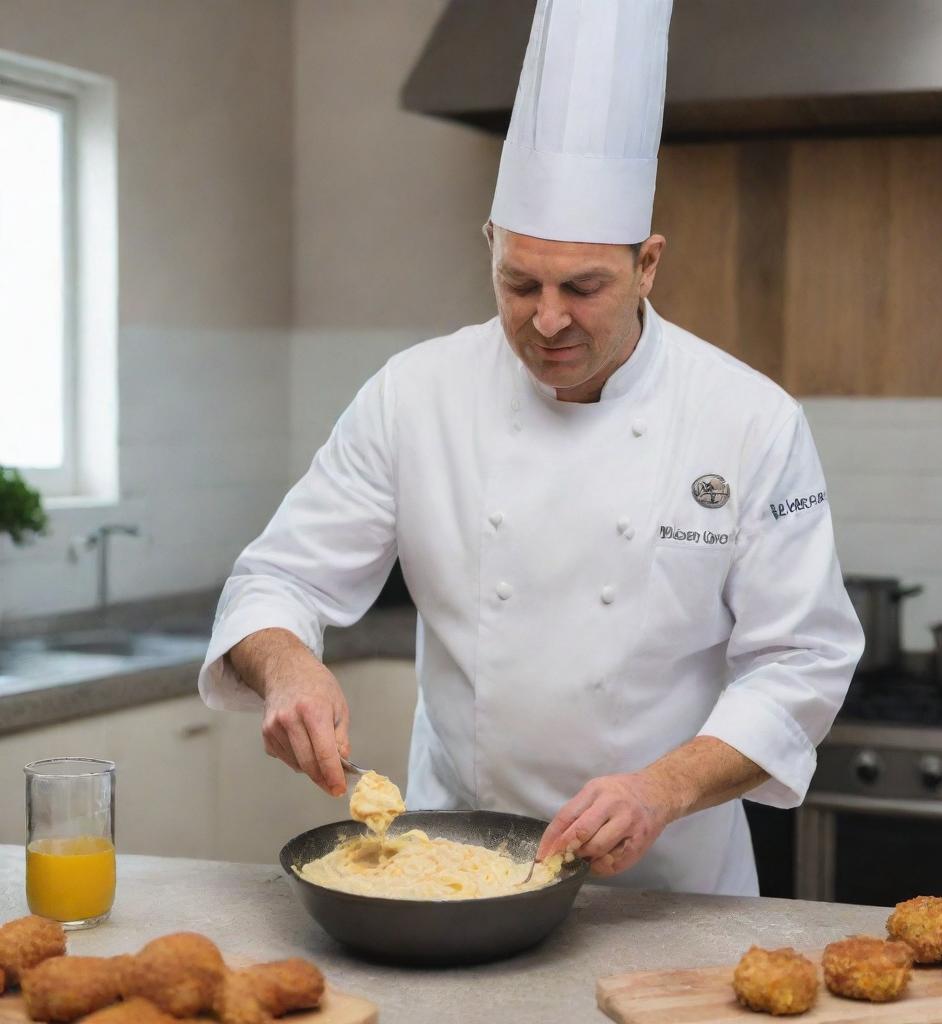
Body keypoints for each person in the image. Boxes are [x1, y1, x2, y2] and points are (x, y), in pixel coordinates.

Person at [198, 0, 863, 895]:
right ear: (490, 249)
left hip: (671, 890)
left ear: (649, 265)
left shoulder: (750, 418)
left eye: (584, 287)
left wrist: (662, 789)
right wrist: (290, 669)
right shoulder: (415, 394)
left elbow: (802, 662)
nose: (547, 318)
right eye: (520, 282)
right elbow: (278, 580)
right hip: (450, 872)